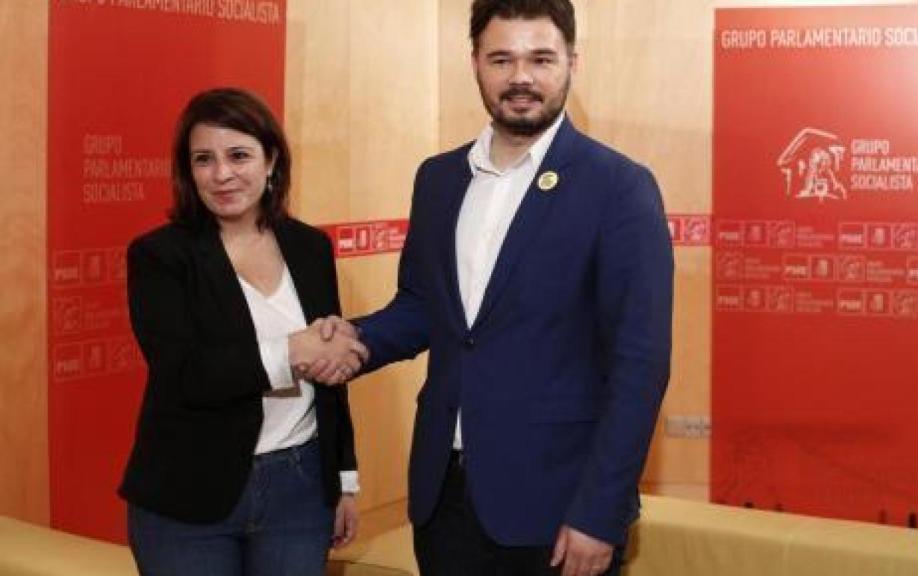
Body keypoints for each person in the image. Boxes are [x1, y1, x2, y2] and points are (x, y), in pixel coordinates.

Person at [338, 1, 674, 574]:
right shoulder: (437, 179)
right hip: (442, 500)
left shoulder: (619, 187)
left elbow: (639, 365)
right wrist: (352, 340)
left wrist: (600, 513)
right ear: (475, 63)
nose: (521, 76)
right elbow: (424, 307)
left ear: (572, 61)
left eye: (541, 58)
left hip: (558, 507)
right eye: (501, 58)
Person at [119, 87, 369, 576]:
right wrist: (292, 350)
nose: (222, 174)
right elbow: (185, 374)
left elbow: (331, 381)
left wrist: (344, 481)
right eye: (203, 159)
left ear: (271, 159)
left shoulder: (310, 247)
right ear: (187, 171)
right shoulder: (159, 256)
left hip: (300, 491)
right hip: (188, 496)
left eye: (238, 155)